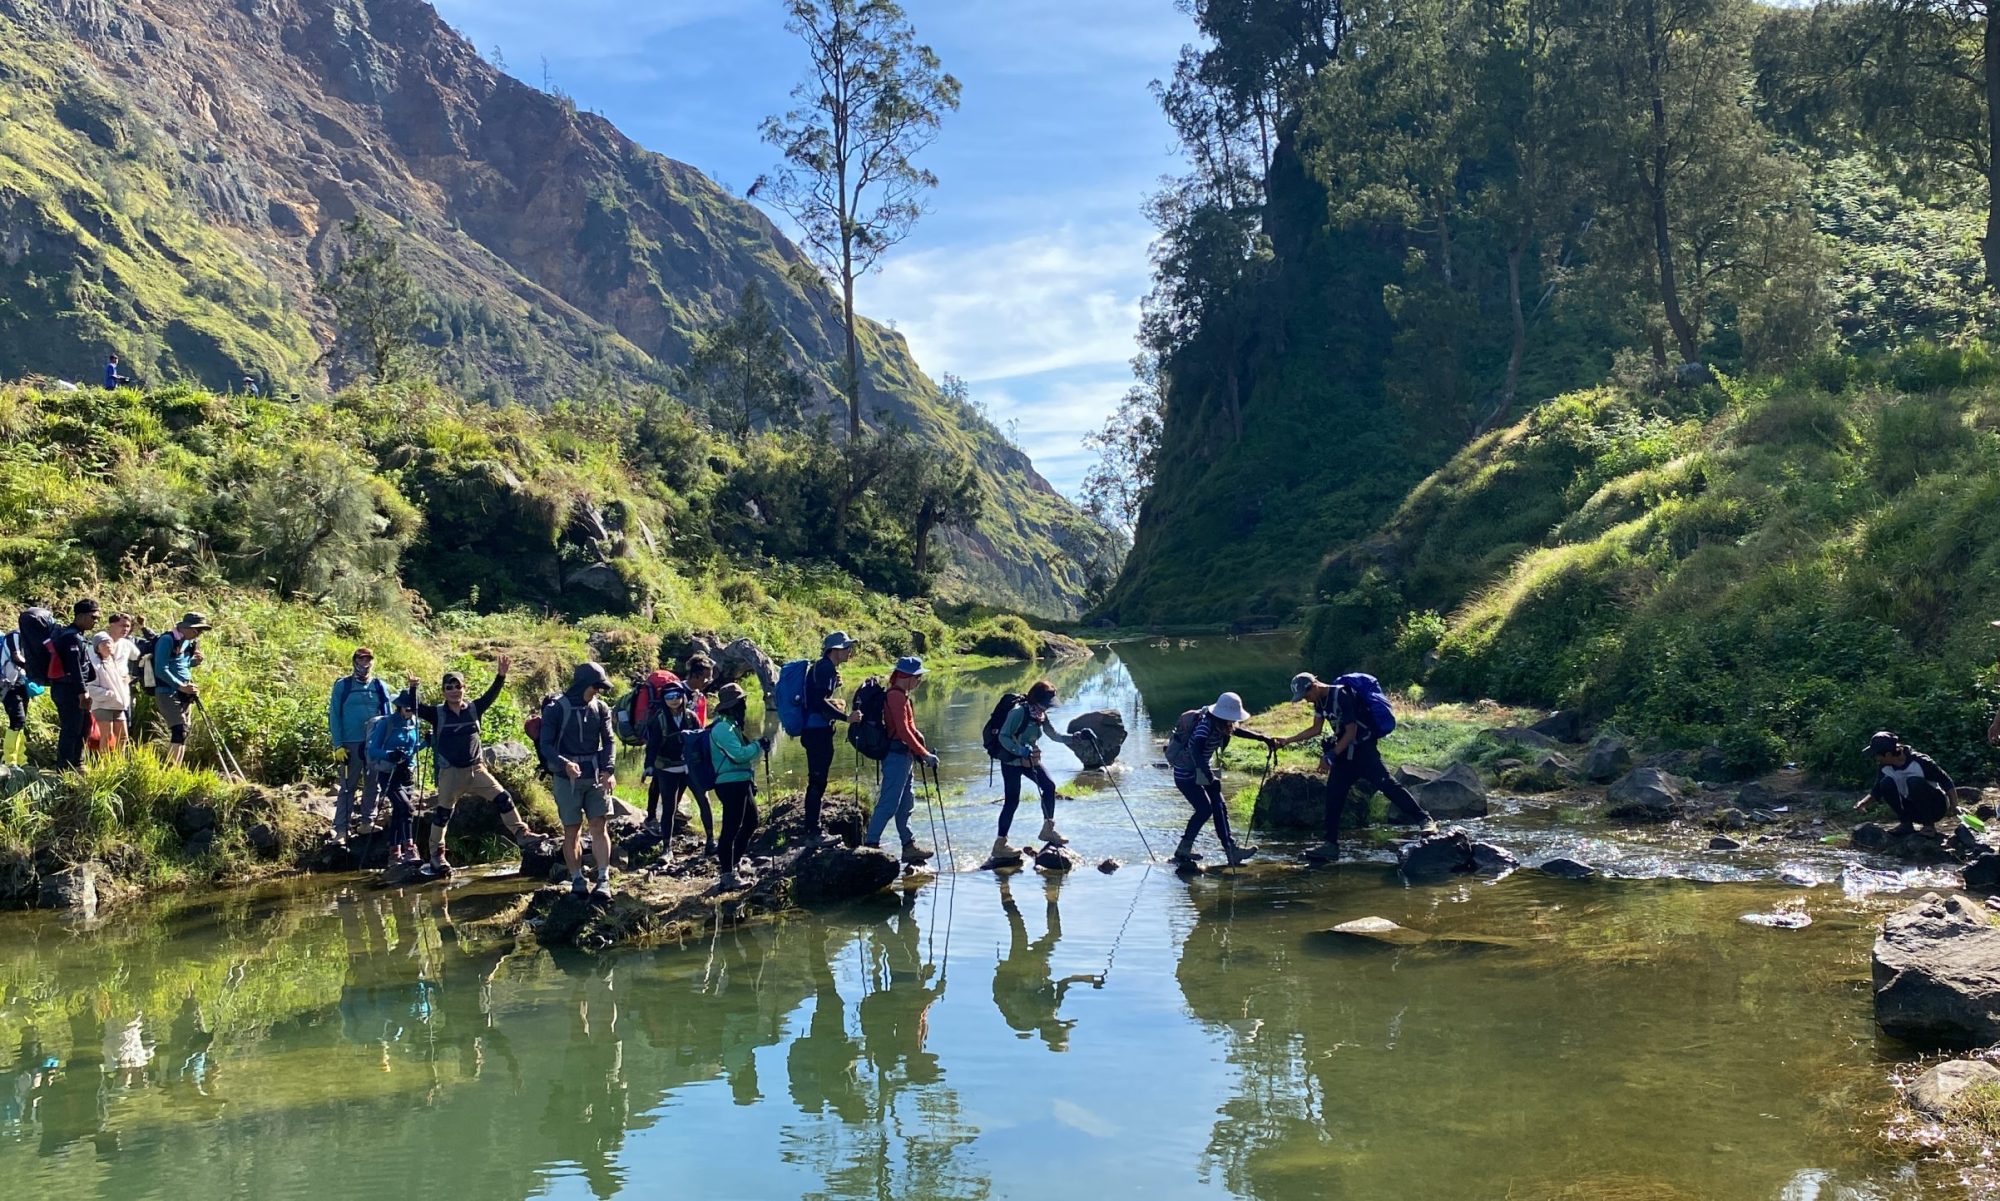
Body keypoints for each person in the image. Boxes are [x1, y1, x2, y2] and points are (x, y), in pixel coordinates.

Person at [406, 655, 540, 878]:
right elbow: (415, 707)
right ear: (443, 691)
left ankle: (522, 834)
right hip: (450, 773)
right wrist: (413, 688)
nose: (454, 690)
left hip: (477, 771)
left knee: (503, 798)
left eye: (457, 686)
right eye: (449, 687)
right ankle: (437, 856)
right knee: (442, 815)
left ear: (463, 688)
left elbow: (491, 696)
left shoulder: (474, 709)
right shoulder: (437, 714)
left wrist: (501, 675)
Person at [1279, 673, 1435, 861]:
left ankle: (1424, 820)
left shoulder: (1342, 695)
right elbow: (1316, 729)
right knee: (1333, 796)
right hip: (1344, 756)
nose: (1306, 700)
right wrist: (1287, 740)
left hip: (1364, 752)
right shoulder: (1320, 702)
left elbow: (1351, 732)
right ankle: (1330, 845)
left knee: (1388, 786)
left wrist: (1330, 756)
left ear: (1314, 686)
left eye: (1306, 696)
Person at [539, 661, 619, 897]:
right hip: (567, 780)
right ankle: (577, 879)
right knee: (572, 830)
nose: (598, 691)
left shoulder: (601, 708)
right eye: (596, 686)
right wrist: (565, 763)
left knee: (599, 825)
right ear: (584, 684)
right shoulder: (556, 708)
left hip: (595, 776)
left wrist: (609, 769)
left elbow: (609, 740)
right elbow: (545, 745)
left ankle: (603, 877)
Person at [1169, 691, 1274, 867]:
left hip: (1201, 770)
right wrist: (1210, 777)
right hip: (1186, 773)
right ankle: (1183, 850)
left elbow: (1237, 731)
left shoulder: (1222, 723)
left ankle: (1231, 850)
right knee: (1204, 809)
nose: (1232, 721)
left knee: (1219, 806)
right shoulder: (1205, 726)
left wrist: (1262, 738)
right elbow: (1195, 749)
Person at [993, 680, 1085, 858]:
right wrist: (1019, 750)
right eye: (1046, 704)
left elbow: (1054, 735)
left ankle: (1048, 830)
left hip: (1030, 759)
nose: (1048, 708)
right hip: (1012, 761)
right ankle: (1000, 845)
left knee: (1049, 786)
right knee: (1012, 802)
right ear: (1037, 700)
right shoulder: (1018, 713)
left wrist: (1075, 738)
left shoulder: (1040, 715)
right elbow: (1003, 736)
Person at [863, 656, 936, 864]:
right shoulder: (895, 697)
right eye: (918, 677)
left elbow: (909, 728)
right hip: (896, 758)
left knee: (906, 804)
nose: (920, 681)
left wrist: (919, 747)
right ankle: (871, 844)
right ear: (906, 677)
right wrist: (924, 754)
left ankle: (909, 846)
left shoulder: (902, 695)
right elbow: (903, 731)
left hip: (904, 757)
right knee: (888, 804)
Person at [328, 648, 392, 843]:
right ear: (354, 660)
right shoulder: (342, 685)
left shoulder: (379, 686)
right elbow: (334, 716)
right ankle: (341, 830)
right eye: (361, 658)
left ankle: (367, 823)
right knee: (347, 787)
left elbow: (388, 716)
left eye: (369, 659)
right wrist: (338, 745)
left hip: (374, 744)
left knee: (373, 784)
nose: (365, 662)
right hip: (350, 745)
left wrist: (387, 743)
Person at [708, 682, 769, 889]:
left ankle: (734, 863)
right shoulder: (723, 728)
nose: (744, 706)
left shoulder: (731, 724)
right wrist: (758, 745)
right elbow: (738, 755)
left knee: (752, 821)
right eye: (742, 702)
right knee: (730, 829)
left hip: (741, 781)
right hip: (729, 784)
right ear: (732, 705)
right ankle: (727, 875)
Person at [801, 631, 857, 845]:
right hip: (817, 733)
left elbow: (818, 696)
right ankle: (813, 832)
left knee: (818, 780)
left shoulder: (825, 668)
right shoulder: (825, 668)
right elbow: (818, 702)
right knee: (817, 781)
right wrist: (846, 717)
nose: (850, 651)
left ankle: (813, 829)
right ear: (834, 650)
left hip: (815, 731)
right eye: (846, 648)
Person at [1855, 730, 1958, 836]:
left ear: (1888, 754)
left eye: (1877, 755)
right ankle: (1906, 824)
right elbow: (1877, 790)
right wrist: (1863, 803)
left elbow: (1946, 781)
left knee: (1913, 782)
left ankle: (1929, 826)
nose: (1876, 759)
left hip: (1935, 807)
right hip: (1913, 809)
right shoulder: (1885, 767)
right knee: (1885, 783)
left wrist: (1955, 806)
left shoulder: (1920, 762)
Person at [367, 687, 425, 866]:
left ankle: (395, 853)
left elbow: (411, 751)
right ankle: (409, 848)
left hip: (406, 774)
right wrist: (389, 754)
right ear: (399, 707)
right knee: (406, 808)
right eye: (407, 708)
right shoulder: (387, 723)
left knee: (401, 812)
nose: (410, 711)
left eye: (413, 709)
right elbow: (373, 749)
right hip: (388, 774)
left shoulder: (414, 723)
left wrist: (426, 743)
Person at [151, 612, 210, 764]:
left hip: (184, 693)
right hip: (167, 692)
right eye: (198, 630)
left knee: (184, 731)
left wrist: (194, 662)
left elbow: (180, 664)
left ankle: (175, 770)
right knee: (179, 729)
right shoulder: (167, 640)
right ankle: (170, 768)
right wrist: (180, 686)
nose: (199, 634)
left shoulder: (187, 642)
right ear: (186, 627)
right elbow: (160, 669)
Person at [643, 683, 697, 844]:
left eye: (677, 696)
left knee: (676, 802)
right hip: (666, 767)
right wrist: (649, 765)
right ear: (663, 699)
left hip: (686, 767)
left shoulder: (691, 717)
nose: (674, 700)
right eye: (669, 697)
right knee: (668, 806)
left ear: (683, 697)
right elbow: (652, 745)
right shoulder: (658, 720)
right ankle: (666, 847)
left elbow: (699, 740)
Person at [49, 600, 100, 770]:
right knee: (71, 728)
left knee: (83, 726)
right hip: (68, 690)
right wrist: (82, 692)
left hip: (73, 688)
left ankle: (77, 763)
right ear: (81, 616)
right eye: (93, 617)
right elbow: (74, 667)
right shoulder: (71, 637)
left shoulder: (78, 636)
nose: (96, 621)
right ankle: (64, 767)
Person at [85, 613, 138, 755]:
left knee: (123, 737)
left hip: (119, 703)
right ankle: (104, 767)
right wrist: (109, 694)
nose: (126, 629)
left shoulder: (116, 658)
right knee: (106, 736)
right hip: (103, 703)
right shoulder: (94, 661)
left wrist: (131, 677)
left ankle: (118, 764)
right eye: (122, 625)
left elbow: (139, 656)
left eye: (128, 626)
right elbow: (89, 684)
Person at [0, 628, 30, 766]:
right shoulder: (14, 635)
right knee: (17, 719)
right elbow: (16, 657)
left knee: (21, 722)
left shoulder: (28, 637)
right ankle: (9, 761)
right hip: (8, 684)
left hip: (20, 682)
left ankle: (21, 760)